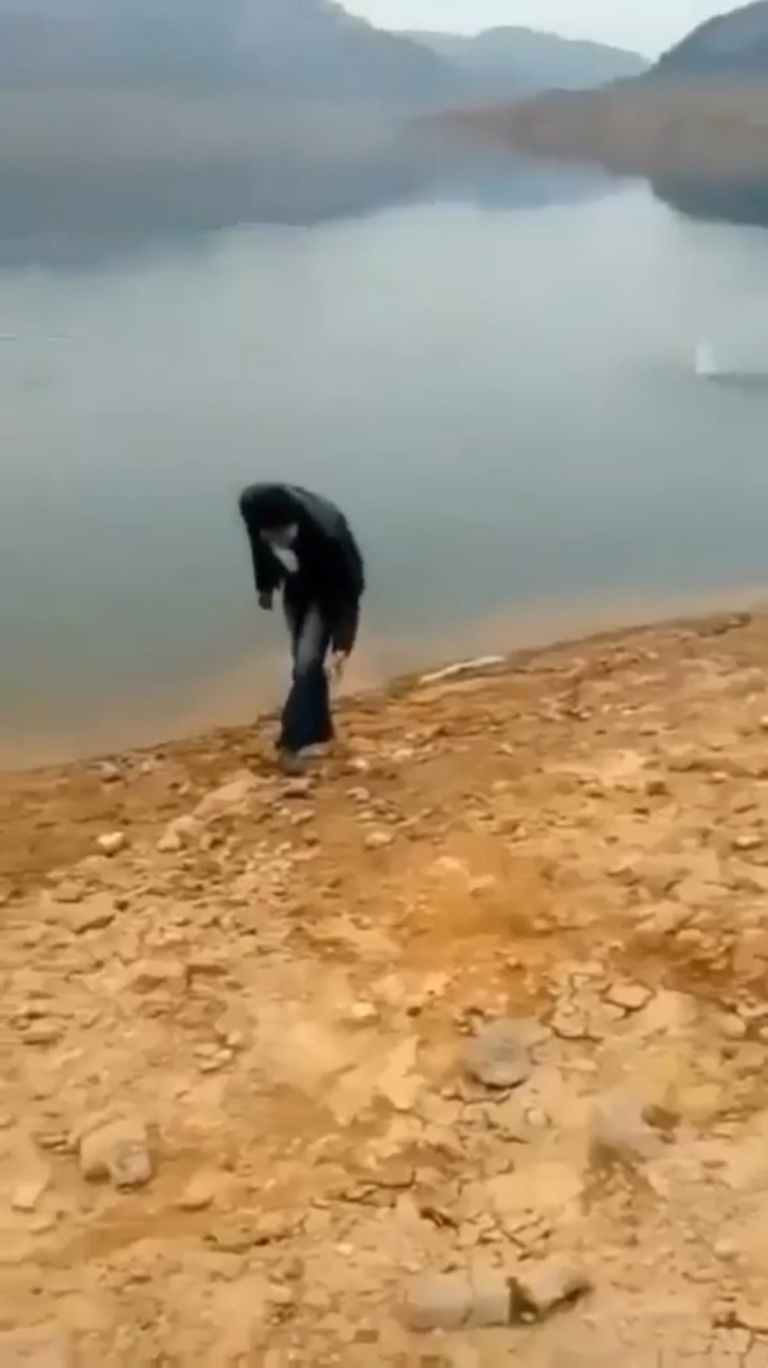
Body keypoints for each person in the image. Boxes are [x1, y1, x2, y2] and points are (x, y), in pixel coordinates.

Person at [238, 482, 365, 772]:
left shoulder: (329, 531)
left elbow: (351, 590)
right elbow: (258, 546)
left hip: (329, 593)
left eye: (281, 533)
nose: (274, 539)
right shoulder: (257, 513)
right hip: (297, 588)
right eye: (268, 533)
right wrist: (265, 587)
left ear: (294, 522)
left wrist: (343, 642)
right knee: (303, 664)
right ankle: (319, 731)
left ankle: (295, 742)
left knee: (307, 663)